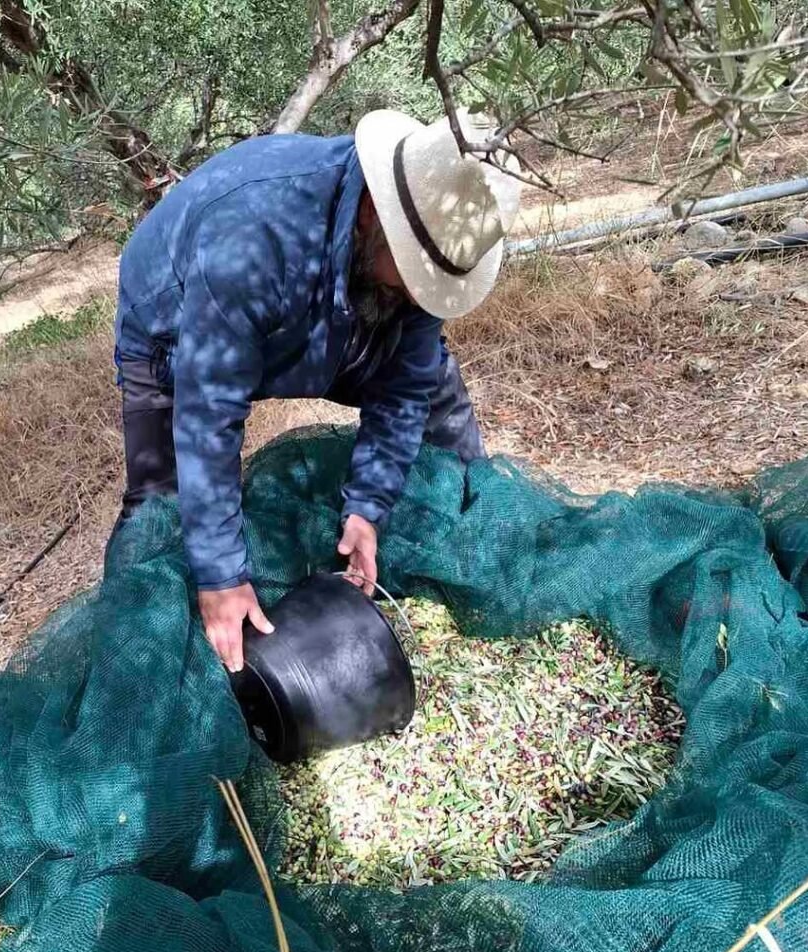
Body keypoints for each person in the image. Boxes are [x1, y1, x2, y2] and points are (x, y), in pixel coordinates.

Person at [111, 108, 520, 672]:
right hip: (174, 321)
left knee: (435, 397)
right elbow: (209, 415)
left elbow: (404, 392)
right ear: (376, 213)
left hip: (329, 306)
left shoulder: (423, 243)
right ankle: (142, 665)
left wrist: (367, 508)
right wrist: (221, 574)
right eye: (415, 274)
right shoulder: (255, 240)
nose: (422, 292)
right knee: (161, 504)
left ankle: (471, 556)